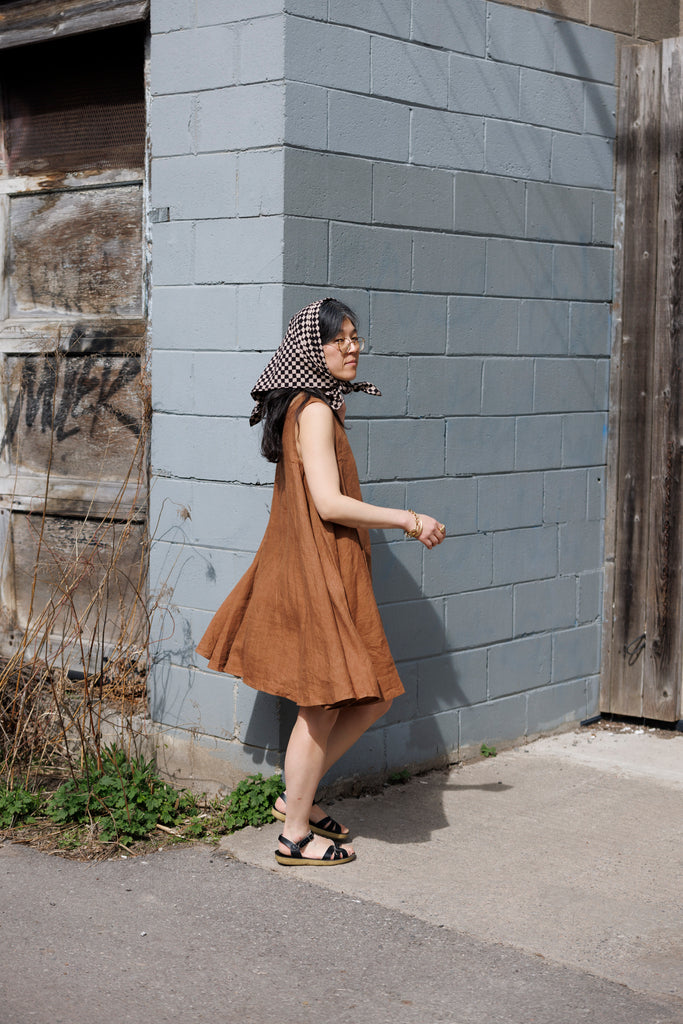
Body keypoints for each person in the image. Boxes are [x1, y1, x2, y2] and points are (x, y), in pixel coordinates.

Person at [196, 298, 445, 866]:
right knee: (323, 705)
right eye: (341, 340)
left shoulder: (313, 406)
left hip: (326, 568)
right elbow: (330, 504)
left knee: (368, 698)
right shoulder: (313, 411)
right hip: (317, 573)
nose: (353, 347)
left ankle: (295, 798)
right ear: (315, 347)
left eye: (356, 337)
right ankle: (293, 837)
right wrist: (409, 520)